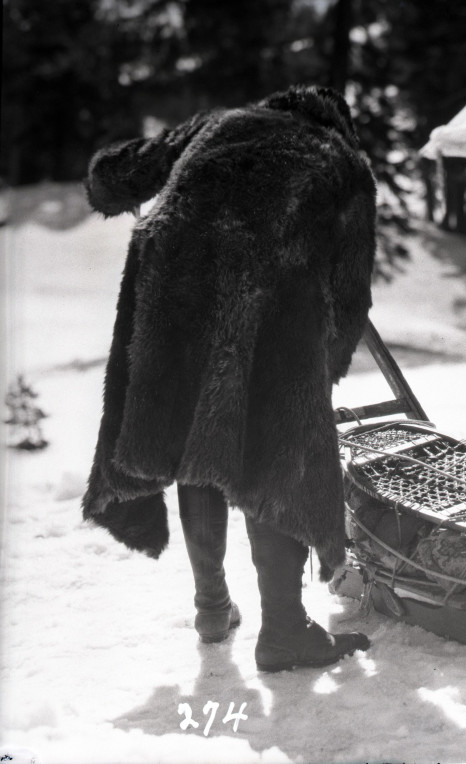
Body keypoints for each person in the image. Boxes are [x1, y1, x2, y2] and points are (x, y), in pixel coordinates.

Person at [81, 85, 374, 671]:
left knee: (199, 439)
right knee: (276, 447)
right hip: (275, 296)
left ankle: (212, 607)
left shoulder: (219, 124)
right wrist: (320, 373)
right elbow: (349, 293)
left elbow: (115, 178)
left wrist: (107, 176)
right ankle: (285, 631)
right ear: (336, 122)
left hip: (175, 277)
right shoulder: (343, 162)